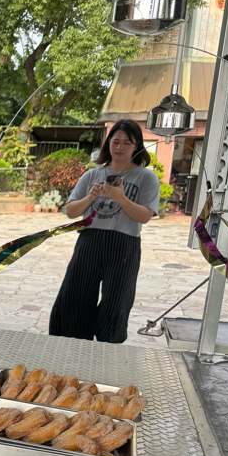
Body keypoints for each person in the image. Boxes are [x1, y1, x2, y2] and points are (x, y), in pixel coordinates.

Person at [49, 119, 159, 344]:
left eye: (127, 142)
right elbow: (71, 211)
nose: (120, 147)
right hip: (90, 240)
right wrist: (90, 197)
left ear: (137, 145)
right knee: (75, 296)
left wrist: (121, 198)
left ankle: (107, 351)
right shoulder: (92, 175)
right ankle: (71, 347)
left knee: (116, 303)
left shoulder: (146, 177)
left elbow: (145, 216)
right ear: (108, 144)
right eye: (115, 141)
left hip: (125, 245)